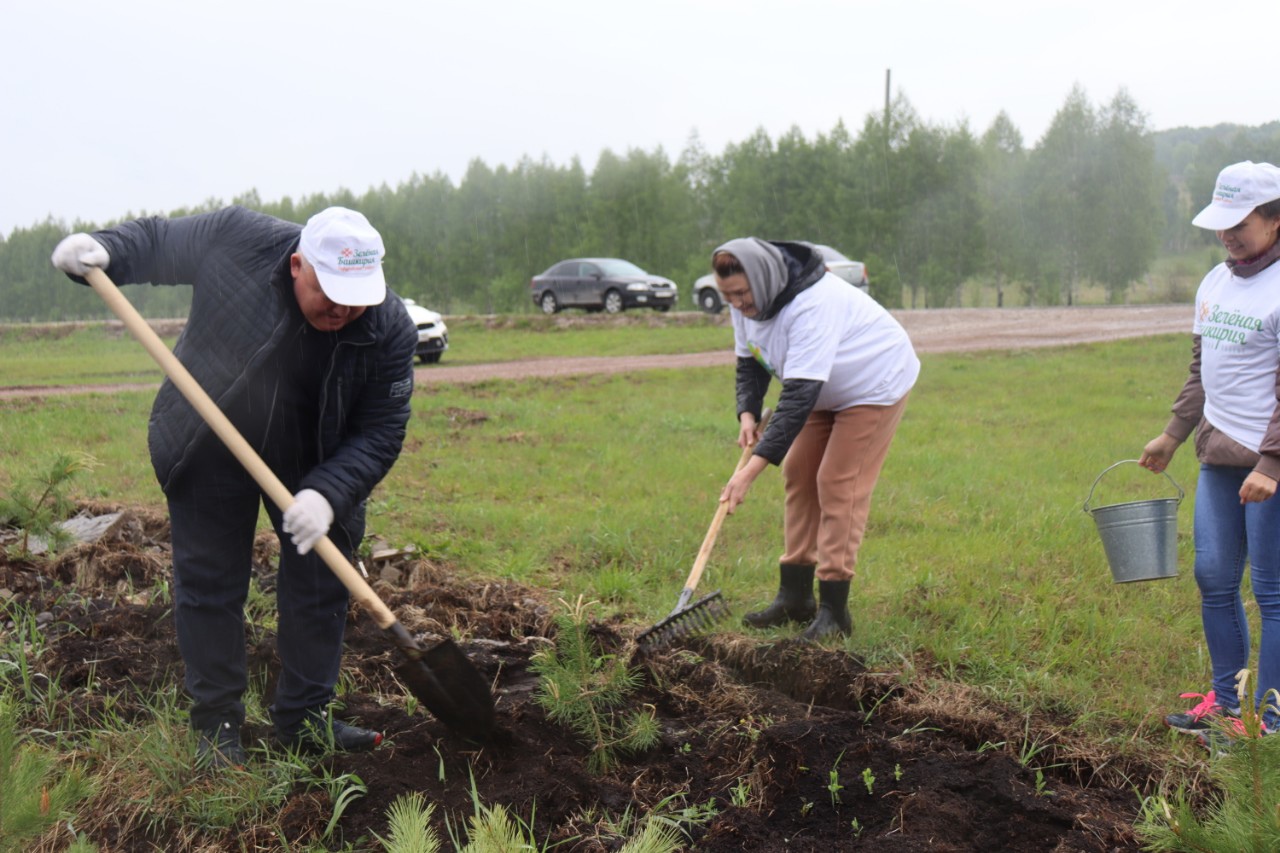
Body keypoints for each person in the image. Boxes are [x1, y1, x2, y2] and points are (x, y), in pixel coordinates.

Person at [51, 205, 417, 768]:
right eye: (330, 290)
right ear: (297, 264)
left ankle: (304, 720)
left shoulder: (389, 327)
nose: (344, 308)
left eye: (358, 294)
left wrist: (328, 493)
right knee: (211, 583)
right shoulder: (238, 241)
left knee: (321, 586)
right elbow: (158, 240)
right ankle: (217, 724)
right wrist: (105, 250)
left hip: (316, 458)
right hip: (210, 435)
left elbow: (380, 431)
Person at [712, 238, 920, 641]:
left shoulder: (812, 304)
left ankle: (834, 611)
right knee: (800, 473)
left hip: (872, 382)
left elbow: (797, 398)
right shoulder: (747, 304)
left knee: (838, 481)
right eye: (727, 296)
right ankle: (795, 597)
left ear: (763, 278)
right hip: (821, 386)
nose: (735, 303)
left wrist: (748, 474)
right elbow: (750, 362)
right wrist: (747, 413)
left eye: (740, 293)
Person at [1140, 161, 1280, 753]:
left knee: (1273, 593)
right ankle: (1225, 707)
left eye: (1240, 223)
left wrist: (1271, 464)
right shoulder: (1215, 282)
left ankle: (1269, 724)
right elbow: (1203, 369)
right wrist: (1173, 433)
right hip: (1218, 455)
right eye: (1221, 224)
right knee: (1213, 578)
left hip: (1270, 465)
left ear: (1275, 218)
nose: (1227, 235)